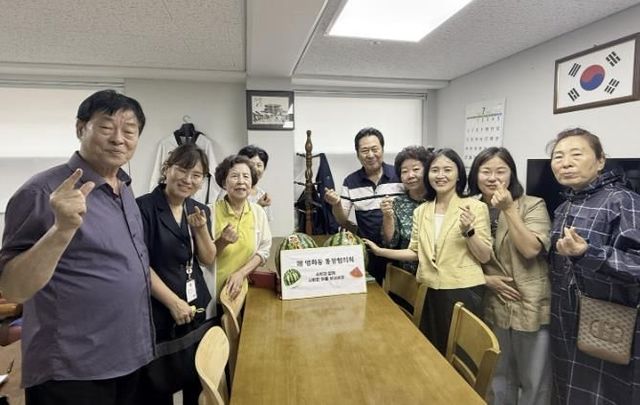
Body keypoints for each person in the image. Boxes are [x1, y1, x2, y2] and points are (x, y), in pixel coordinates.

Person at [0, 90, 153, 405]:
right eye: (106, 127)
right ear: (80, 128)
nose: (119, 139)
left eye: (130, 130)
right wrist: (61, 230)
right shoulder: (42, 192)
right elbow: (13, 288)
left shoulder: (124, 188)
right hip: (73, 366)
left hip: (128, 354)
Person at [365, 148, 491, 353]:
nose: (440, 175)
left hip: (463, 290)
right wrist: (380, 251)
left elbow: (484, 256)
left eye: (447, 170)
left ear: (458, 174)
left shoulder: (474, 207)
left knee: (462, 354)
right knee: (432, 350)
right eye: (435, 170)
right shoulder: (421, 210)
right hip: (428, 289)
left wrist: (469, 231)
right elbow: (415, 252)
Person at [547, 128, 640, 404]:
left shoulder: (623, 201)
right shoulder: (564, 206)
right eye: (558, 156)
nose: (565, 163)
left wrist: (588, 253)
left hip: (608, 322)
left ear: (600, 161)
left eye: (576, 154)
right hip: (565, 318)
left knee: (603, 395)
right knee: (566, 390)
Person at [468, 147, 551, 405]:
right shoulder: (470, 208)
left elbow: (530, 250)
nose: (493, 178)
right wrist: (486, 280)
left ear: (511, 175)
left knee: (533, 379)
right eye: (486, 171)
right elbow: (458, 259)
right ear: (475, 175)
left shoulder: (532, 204)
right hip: (491, 302)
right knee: (497, 375)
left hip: (528, 303)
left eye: (500, 171)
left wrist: (509, 209)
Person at [136, 144, 216, 405]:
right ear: (167, 169)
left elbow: (208, 258)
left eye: (196, 175)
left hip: (196, 307)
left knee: (196, 378)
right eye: (182, 170)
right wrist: (172, 302)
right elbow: (139, 264)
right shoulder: (143, 208)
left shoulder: (199, 209)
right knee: (160, 383)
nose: (188, 179)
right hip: (160, 310)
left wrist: (201, 230)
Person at [324, 127, 403, 283]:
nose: (370, 155)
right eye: (365, 151)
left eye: (375, 149)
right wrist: (337, 204)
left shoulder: (400, 175)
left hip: (399, 252)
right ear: (358, 154)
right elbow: (342, 220)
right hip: (368, 252)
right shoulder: (350, 181)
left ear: (382, 149)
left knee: (399, 295)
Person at [211, 155, 272, 300]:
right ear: (224, 183)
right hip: (213, 294)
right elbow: (203, 257)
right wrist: (222, 242)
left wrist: (241, 274)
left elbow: (263, 250)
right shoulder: (210, 212)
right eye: (234, 176)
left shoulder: (258, 212)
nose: (241, 181)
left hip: (245, 293)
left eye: (246, 176)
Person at [380, 145, 431, 275]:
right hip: (408, 277)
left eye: (416, 169)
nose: (410, 175)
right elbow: (390, 243)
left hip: (439, 275)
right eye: (404, 171)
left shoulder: (439, 200)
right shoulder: (397, 203)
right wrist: (387, 216)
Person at [220, 145, 273, 221]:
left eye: (259, 165)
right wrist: (258, 206)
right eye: (252, 165)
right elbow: (227, 220)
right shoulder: (230, 191)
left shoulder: (263, 196)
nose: (255, 169)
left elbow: (265, 225)